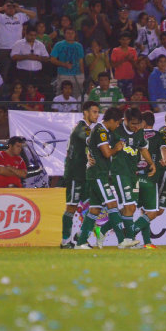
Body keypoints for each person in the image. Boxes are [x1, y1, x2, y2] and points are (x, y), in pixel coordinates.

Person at [75, 107, 140, 249]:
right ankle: (122, 240)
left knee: (94, 210)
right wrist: (116, 148)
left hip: (98, 174)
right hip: (98, 174)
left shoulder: (100, 130)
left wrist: (88, 154)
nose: (117, 126)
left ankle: (81, 242)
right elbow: (106, 153)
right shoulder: (101, 132)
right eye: (117, 123)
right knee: (112, 204)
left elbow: (87, 142)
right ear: (111, 120)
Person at [110, 108, 157, 245]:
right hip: (119, 172)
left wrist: (151, 163)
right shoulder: (116, 130)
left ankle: (102, 230)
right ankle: (128, 240)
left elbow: (143, 148)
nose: (136, 127)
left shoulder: (139, 132)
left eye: (138, 124)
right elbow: (97, 143)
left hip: (132, 173)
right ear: (125, 120)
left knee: (130, 208)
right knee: (129, 206)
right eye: (133, 124)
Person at [61, 101, 100, 248]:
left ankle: (80, 237)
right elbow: (91, 140)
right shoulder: (81, 127)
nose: (97, 115)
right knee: (71, 207)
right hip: (75, 174)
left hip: (85, 174)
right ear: (85, 112)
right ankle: (65, 241)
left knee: (95, 205)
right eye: (94, 112)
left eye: (98, 112)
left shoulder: (87, 128)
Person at [50, 27, 85, 100]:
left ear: (75, 34)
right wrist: (64, 64)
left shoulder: (79, 46)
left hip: (77, 74)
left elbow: (81, 61)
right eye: (68, 33)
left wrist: (82, 75)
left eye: (72, 33)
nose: (70, 35)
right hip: (63, 74)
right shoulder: (59, 45)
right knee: (61, 96)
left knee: (78, 96)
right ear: (64, 34)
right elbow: (52, 59)